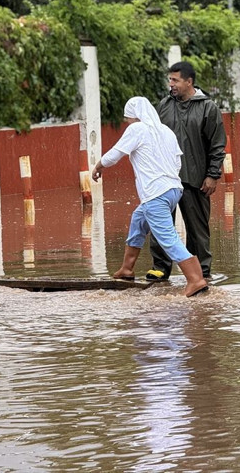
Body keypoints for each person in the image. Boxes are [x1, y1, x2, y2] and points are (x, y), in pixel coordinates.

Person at [91, 96, 209, 297]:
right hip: (173, 190)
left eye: (128, 118)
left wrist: (98, 166)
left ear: (134, 116)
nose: (127, 122)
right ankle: (127, 269)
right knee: (138, 220)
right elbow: (177, 162)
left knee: (167, 237)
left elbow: (115, 154)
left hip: (155, 193)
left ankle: (195, 279)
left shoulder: (137, 129)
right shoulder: (166, 131)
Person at [148, 61, 226, 281]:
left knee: (197, 229)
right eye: (170, 80)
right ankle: (160, 268)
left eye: (175, 80)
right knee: (161, 224)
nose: (171, 84)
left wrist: (212, 175)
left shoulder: (208, 108)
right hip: (165, 180)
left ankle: (201, 272)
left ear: (189, 82)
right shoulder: (164, 105)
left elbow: (217, 145)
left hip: (196, 178)